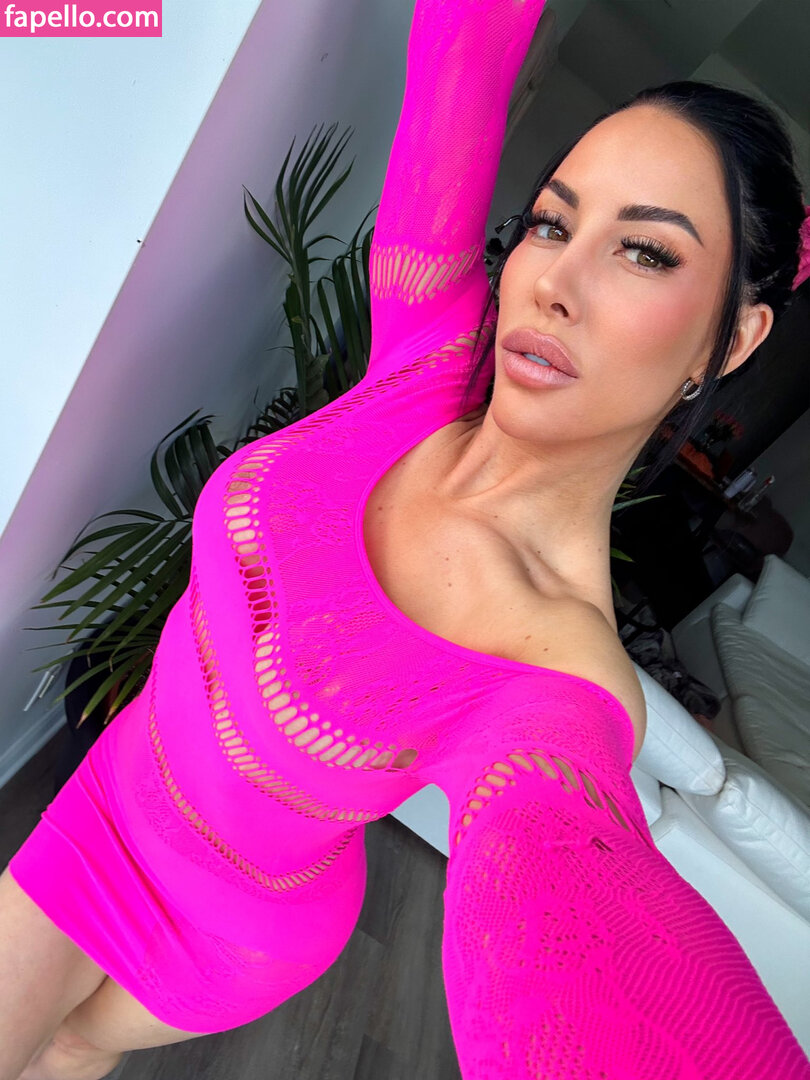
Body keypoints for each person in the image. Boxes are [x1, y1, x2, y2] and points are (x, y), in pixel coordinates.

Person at [2, 0, 809, 1077]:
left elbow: (586, 958)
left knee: (63, 1052)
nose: (554, 284)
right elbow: (465, 38)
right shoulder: (425, 350)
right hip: (112, 784)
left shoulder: (560, 680)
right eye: (553, 223)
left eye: (646, 253)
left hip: (235, 927)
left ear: (734, 338)